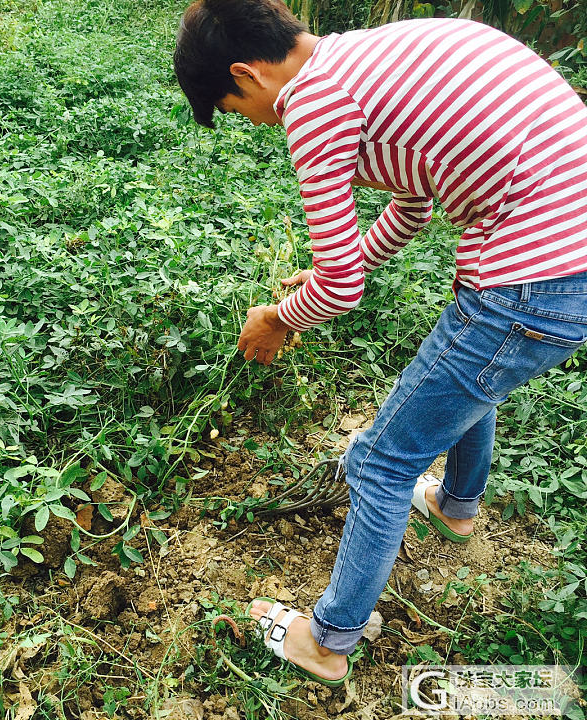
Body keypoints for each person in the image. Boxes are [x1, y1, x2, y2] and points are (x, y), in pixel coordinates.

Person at [173, 0, 587, 685]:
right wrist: (348, 261)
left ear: (246, 74)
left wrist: (279, 317)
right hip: (560, 261)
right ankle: (456, 511)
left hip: (536, 281)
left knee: (378, 463)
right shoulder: (370, 56)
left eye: (234, 108)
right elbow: (415, 200)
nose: (252, 123)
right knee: (469, 375)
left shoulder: (312, 102)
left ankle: (326, 643)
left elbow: (338, 294)